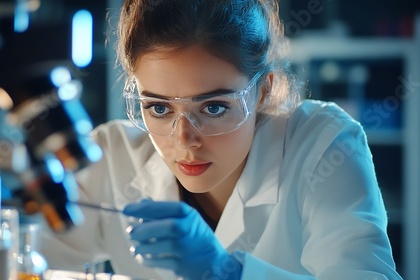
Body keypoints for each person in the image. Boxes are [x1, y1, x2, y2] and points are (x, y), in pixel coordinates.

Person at [40, 0, 403, 279]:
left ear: (262, 91)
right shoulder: (114, 157)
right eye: (158, 107)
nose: (184, 140)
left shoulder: (322, 144)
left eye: (213, 107)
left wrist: (226, 272)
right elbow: (24, 255)